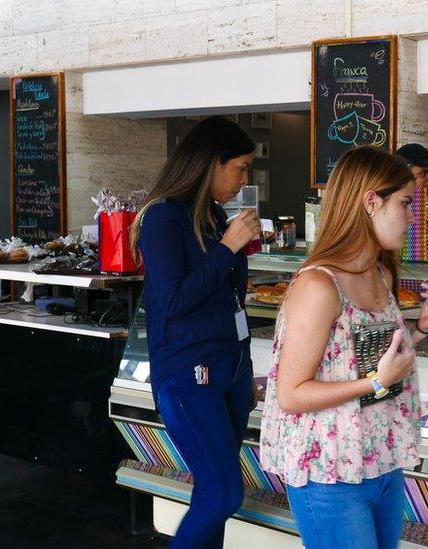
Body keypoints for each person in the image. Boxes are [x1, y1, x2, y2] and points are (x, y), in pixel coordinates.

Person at [259, 147, 428, 549]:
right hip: (329, 469)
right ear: (370, 202)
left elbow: (359, 356)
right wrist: (376, 383)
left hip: (381, 458)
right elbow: (292, 394)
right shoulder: (319, 285)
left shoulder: (379, 272)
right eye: (405, 203)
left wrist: (422, 328)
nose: (412, 216)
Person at [129, 116, 262, 549]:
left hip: (233, 370)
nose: (245, 179)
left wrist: (246, 365)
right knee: (224, 492)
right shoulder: (163, 218)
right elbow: (175, 301)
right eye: (240, 168)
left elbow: (228, 297)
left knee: (213, 493)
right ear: (210, 164)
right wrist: (228, 248)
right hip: (189, 373)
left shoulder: (212, 215)